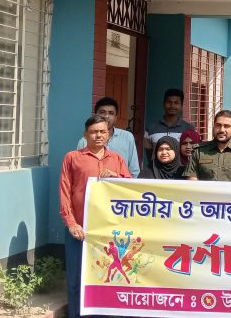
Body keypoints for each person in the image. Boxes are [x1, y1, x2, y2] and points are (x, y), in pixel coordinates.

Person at [60, 115, 132, 318]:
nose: (98, 135)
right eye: (93, 132)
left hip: (108, 231)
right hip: (80, 229)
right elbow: (65, 192)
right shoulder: (72, 158)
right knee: (77, 278)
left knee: (105, 276)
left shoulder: (117, 159)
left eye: (102, 131)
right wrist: (71, 223)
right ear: (85, 135)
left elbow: (130, 191)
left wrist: (117, 178)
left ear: (108, 134)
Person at [76, 96, 140, 178]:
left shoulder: (127, 137)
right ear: (95, 116)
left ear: (116, 118)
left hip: (120, 185)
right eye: (102, 112)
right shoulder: (84, 141)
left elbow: (134, 172)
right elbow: (78, 171)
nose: (106, 116)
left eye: (111, 113)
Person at [184, 110, 231, 182]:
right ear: (213, 127)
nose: (221, 130)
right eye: (218, 125)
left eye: (226, 126)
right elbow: (192, 182)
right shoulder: (198, 151)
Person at [144, 88, 195, 155]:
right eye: (169, 102)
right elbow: (150, 156)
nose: (172, 106)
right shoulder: (150, 129)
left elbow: (192, 154)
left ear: (181, 106)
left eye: (176, 103)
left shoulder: (190, 129)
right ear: (163, 104)